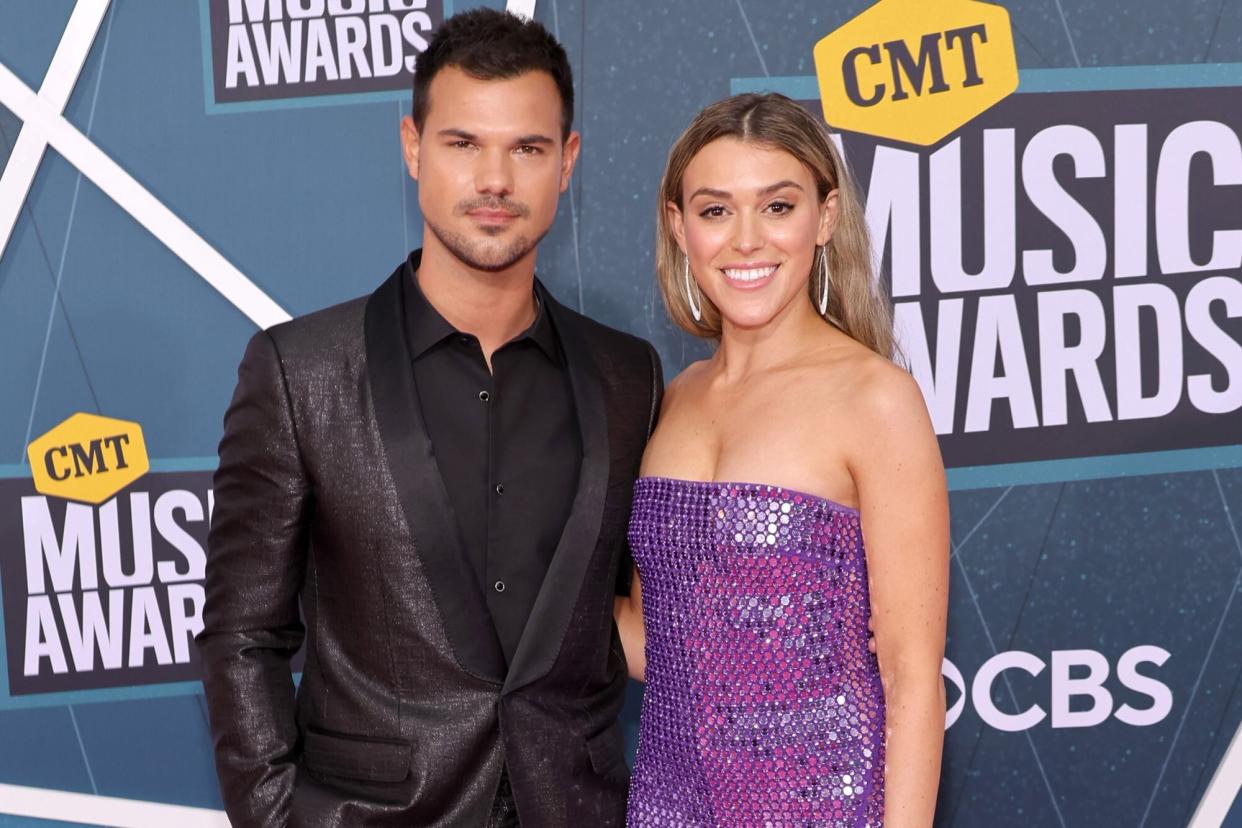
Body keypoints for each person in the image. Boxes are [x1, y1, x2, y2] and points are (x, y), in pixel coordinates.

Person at [196, 10, 661, 827]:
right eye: (462, 143)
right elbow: (242, 637)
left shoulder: (628, 376)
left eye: (527, 148)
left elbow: (640, 612)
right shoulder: (298, 373)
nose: (495, 180)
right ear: (413, 147)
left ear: (568, 162)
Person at [614, 93, 949, 827]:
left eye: (776, 207)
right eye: (714, 211)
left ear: (825, 218)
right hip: (669, 808)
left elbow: (912, 678)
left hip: (826, 809)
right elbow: (654, 642)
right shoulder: (667, 402)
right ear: (679, 227)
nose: (745, 241)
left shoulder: (876, 399)